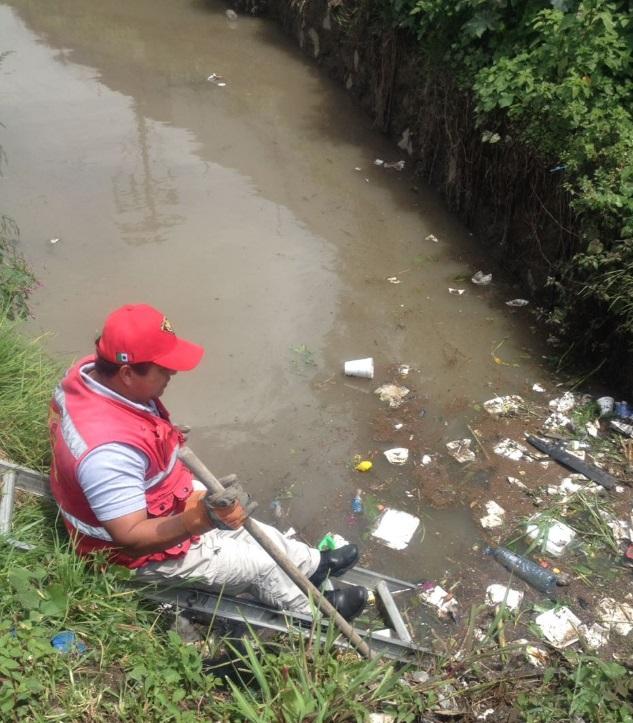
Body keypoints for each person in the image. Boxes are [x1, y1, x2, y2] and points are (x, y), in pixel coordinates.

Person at [49, 303, 367, 621]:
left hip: (154, 498)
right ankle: (317, 616)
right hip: (129, 555)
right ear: (128, 373)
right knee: (258, 567)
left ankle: (312, 565)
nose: (173, 373)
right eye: (163, 368)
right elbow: (130, 540)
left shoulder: (92, 374)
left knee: (237, 518)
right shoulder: (109, 454)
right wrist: (200, 520)